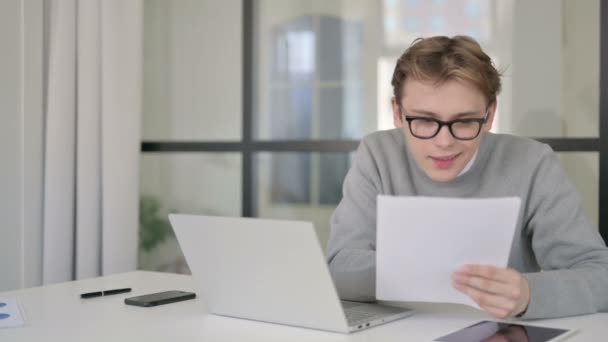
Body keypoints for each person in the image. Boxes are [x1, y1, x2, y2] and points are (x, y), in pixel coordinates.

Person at [326, 35, 608, 319]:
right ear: (397, 114)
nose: (444, 142)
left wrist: (528, 294)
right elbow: (339, 269)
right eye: (424, 120)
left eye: (464, 121)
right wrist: (418, 270)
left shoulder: (532, 162)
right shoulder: (378, 154)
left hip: (500, 332)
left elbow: (601, 275)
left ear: (489, 116)